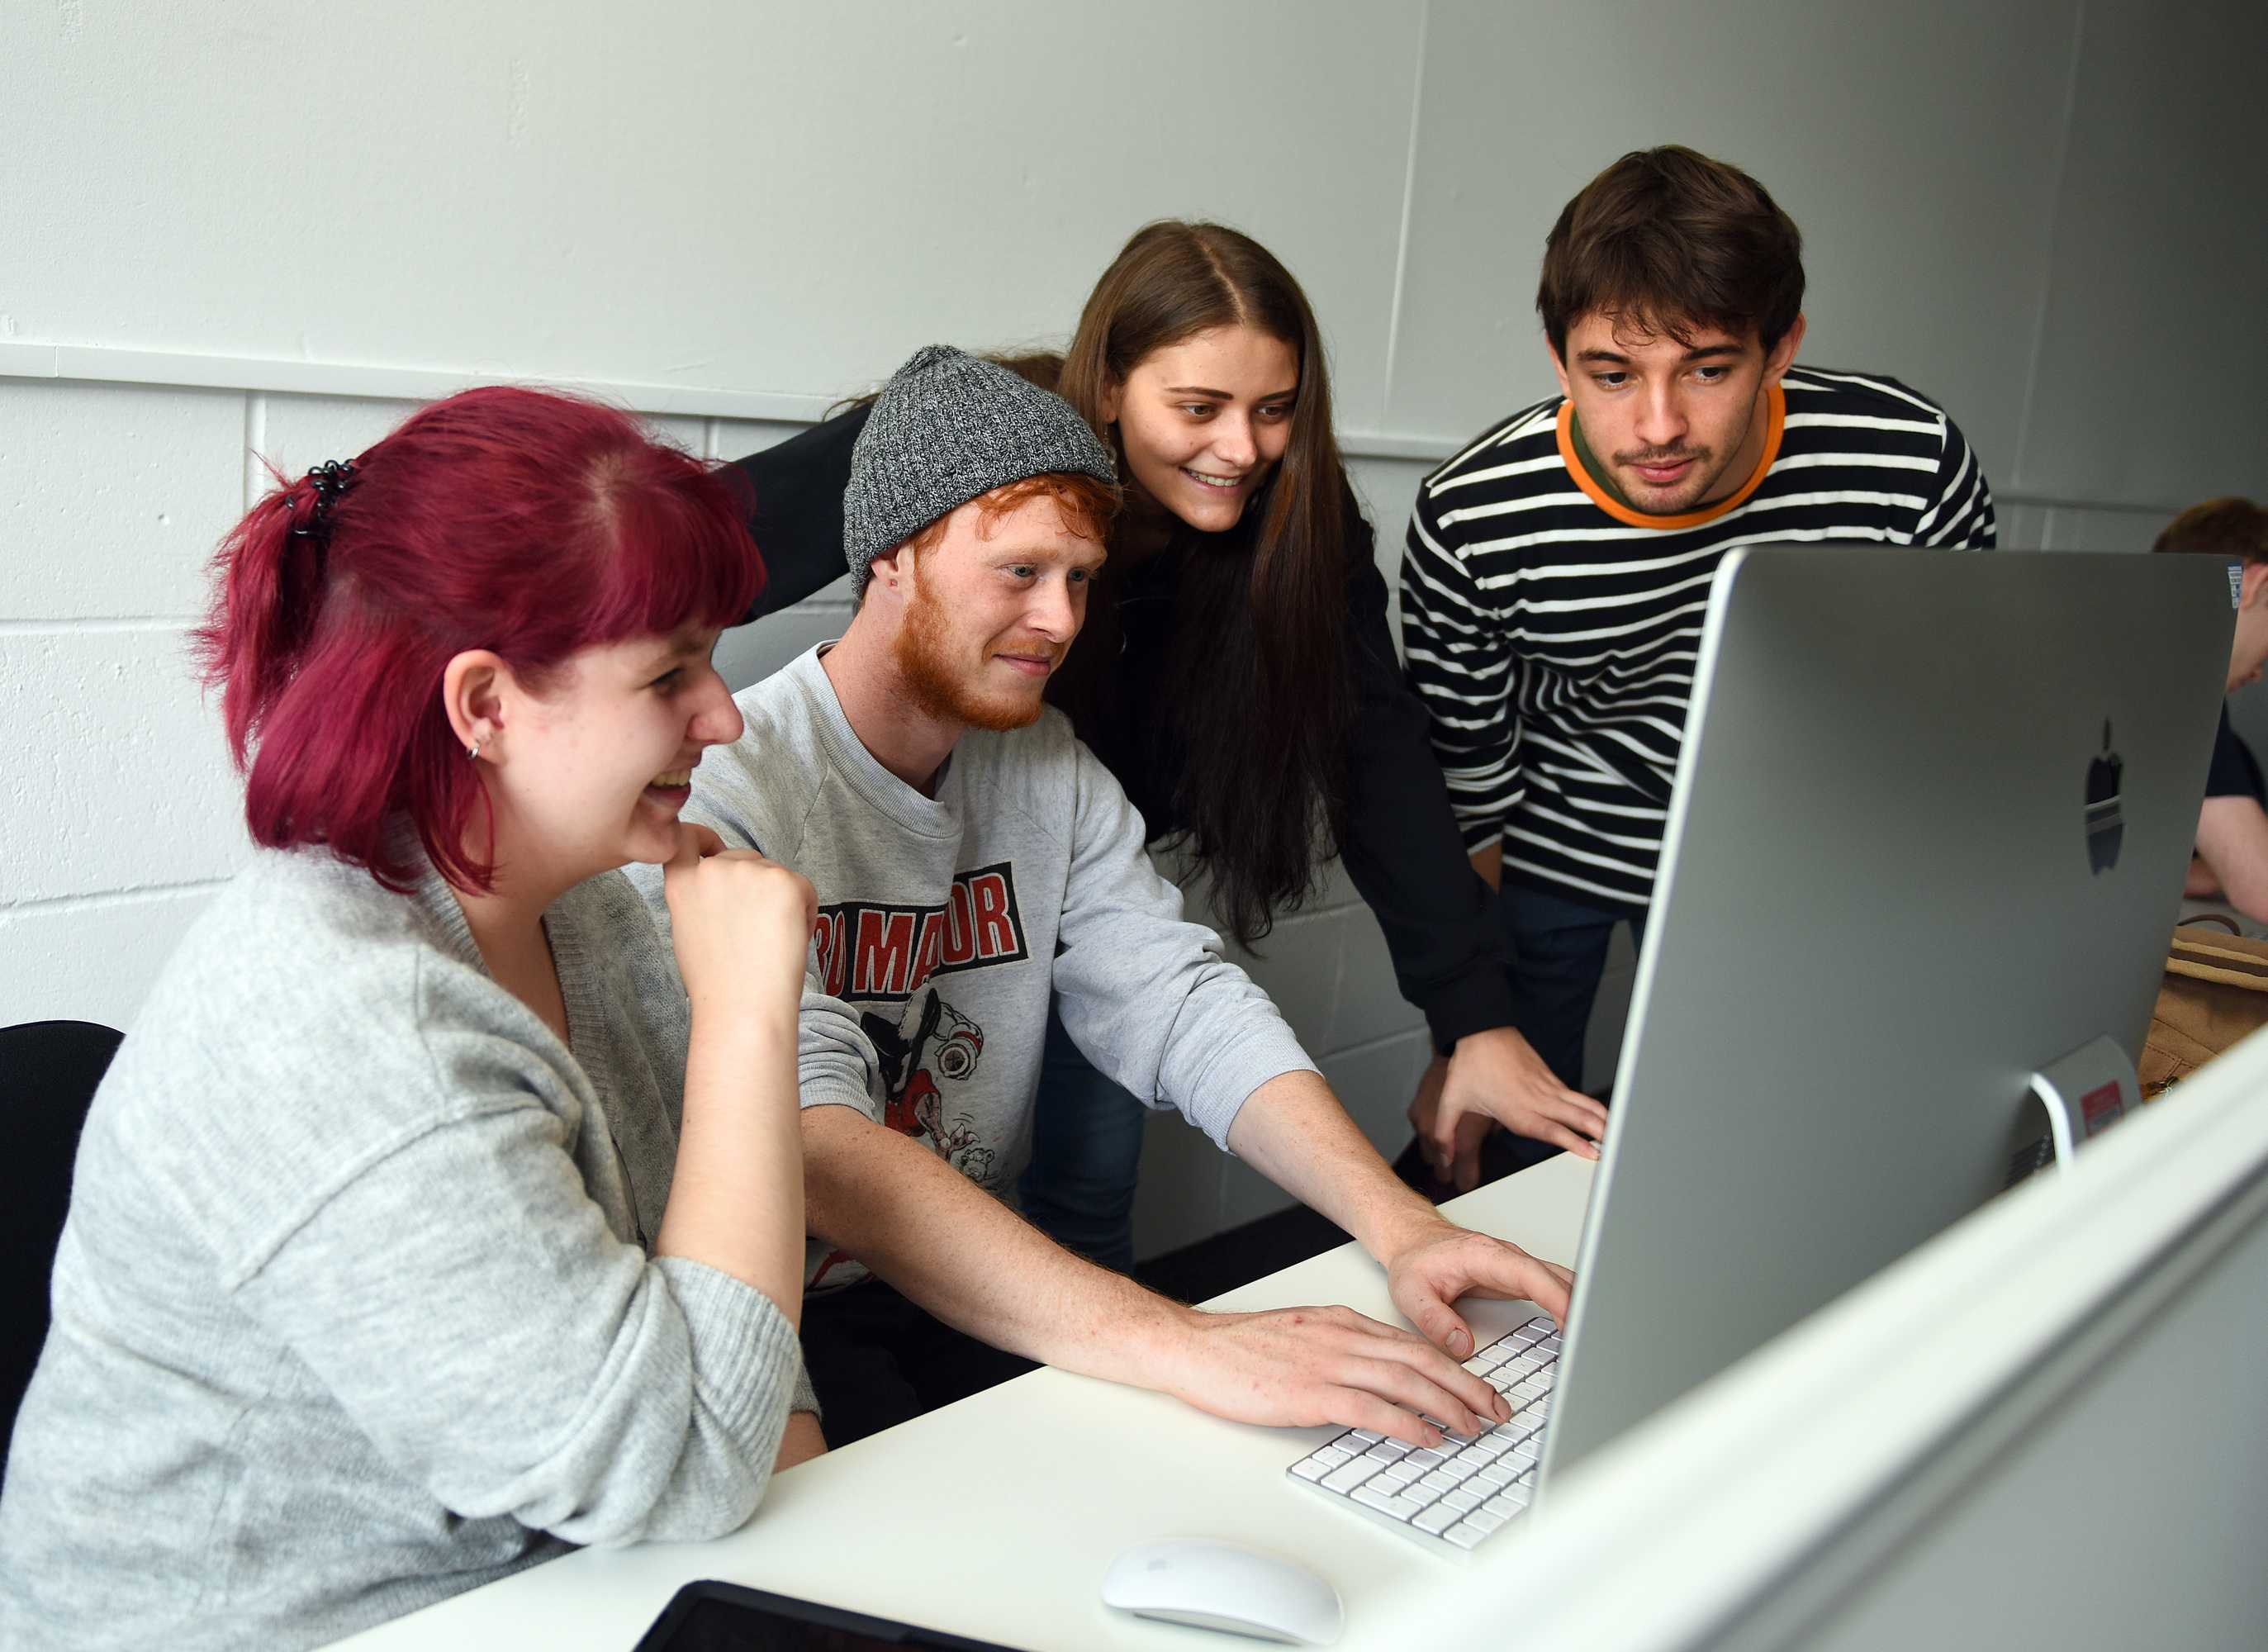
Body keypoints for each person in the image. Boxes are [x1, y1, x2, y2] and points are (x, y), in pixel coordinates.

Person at [0, 388, 832, 1651]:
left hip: (559, 1585)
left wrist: (809, 1533)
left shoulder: (584, 907)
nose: (722, 715)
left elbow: (724, 1283)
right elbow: (686, 1465)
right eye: (670, 674)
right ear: (485, 706)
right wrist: (745, 1024)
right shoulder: (350, 1030)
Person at [639, 344, 1575, 1458]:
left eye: (1080, 577)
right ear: (891, 554)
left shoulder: (1047, 766)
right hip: (773, 1320)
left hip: (973, 1278)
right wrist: (1186, 1339)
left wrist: (1403, 1224)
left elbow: (1179, 1002)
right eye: (1020, 571)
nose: (1058, 618)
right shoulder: (726, 785)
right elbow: (822, 1145)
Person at [724, 221, 1601, 1273]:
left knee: (1088, 1189)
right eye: (1197, 407)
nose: (1240, 448)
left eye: (1272, 410)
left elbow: (1368, 764)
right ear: (1107, 390)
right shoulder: (976, 445)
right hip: (922, 898)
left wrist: (1463, 1041)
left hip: (1077, 871)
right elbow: (694, 544)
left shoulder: (1089, 759)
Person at [1401, 145, 1999, 1188]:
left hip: (1785, 849)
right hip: (1556, 838)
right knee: (1512, 1146)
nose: (1659, 426)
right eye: (1611, 374)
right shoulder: (1473, 514)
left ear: (1781, 348)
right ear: (1557, 358)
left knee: (1749, 1147)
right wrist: (1466, 1028)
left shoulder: (1907, 468)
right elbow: (1470, 788)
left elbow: (1936, 726)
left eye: (1709, 369)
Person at [2152, 497, 2268, 919]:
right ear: (2256, 584)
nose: (2259, 673)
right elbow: (2261, 887)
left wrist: (2212, 871)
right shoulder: (2183, 680)